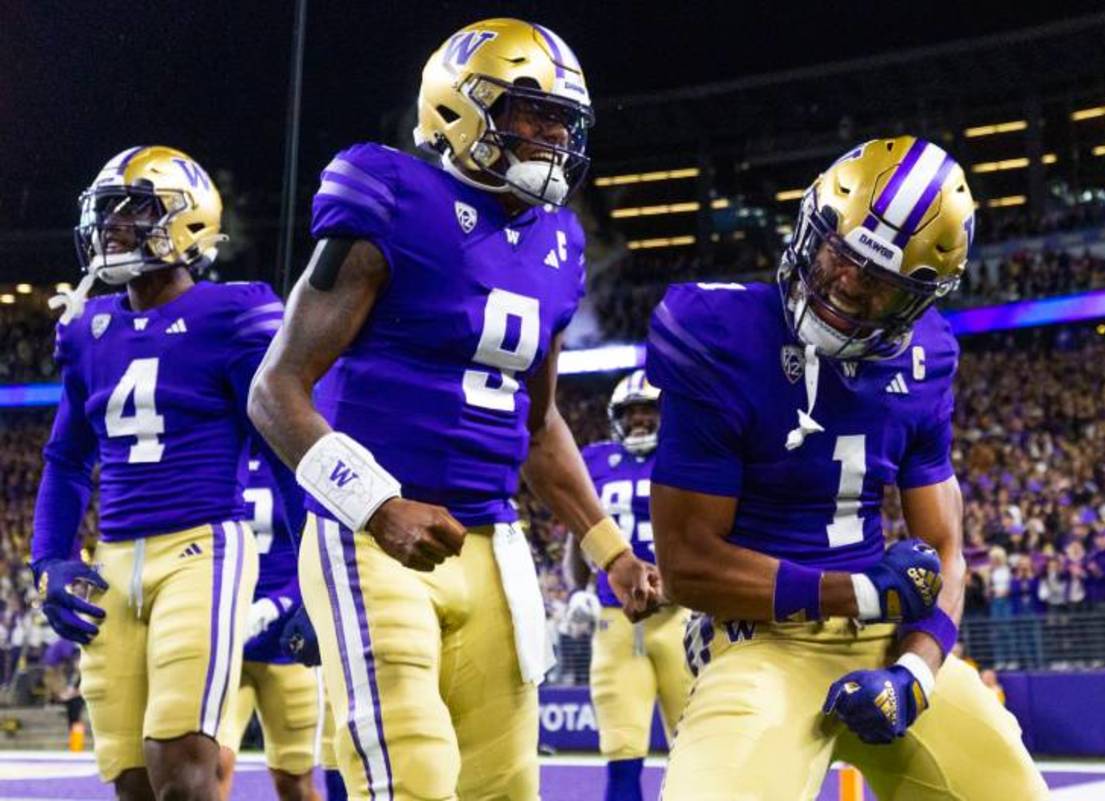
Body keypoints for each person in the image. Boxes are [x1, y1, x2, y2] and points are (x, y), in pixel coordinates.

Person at [248, 19, 661, 800]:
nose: (550, 137)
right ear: (456, 107)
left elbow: (536, 425)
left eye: (561, 121)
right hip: (371, 538)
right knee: (411, 775)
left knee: (504, 786)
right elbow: (275, 390)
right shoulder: (391, 193)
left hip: (491, 543)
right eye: (530, 113)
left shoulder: (561, 245)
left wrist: (610, 549)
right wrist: (377, 505)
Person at [646, 137, 1048, 800]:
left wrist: (915, 673)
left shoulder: (927, 357)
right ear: (812, 226)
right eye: (843, 255)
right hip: (762, 639)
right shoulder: (718, 331)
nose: (845, 286)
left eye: (882, 284)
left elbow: (947, 551)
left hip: (886, 638)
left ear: (920, 299)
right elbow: (687, 562)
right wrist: (858, 591)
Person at [30, 146, 299, 801]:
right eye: (108, 215)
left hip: (203, 546)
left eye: (136, 211)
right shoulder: (89, 328)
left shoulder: (233, 315)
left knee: (180, 760)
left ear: (191, 223)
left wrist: (301, 580)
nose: (115, 228)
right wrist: (50, 557)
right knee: (130, 777)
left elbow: (289, 445)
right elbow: (67, 456)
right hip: (114, 558)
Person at [565, 369, 693, 801]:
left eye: (649, 411)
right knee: (622, 749)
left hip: (681, 621)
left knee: (696, 747)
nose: (640, 419)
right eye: (631, 412)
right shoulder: (596, 460)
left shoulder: (690, 458)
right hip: (613, 622)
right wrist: (577, 591)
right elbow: (576, 534)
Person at [217, 449, 316, 801]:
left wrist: (276, 605)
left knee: (293, 785)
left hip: (288, 645)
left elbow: (316, 551)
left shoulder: (294, 452)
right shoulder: (220, 450)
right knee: (213, 765)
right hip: (228, 640)